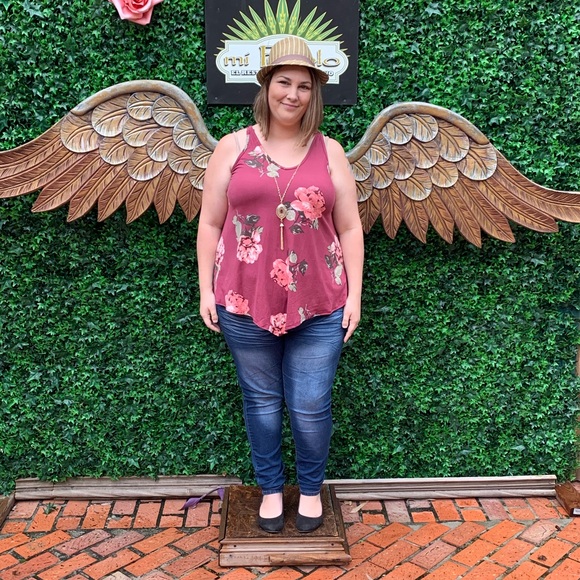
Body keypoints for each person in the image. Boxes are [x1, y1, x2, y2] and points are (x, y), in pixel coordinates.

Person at [197, 35, 364, 534]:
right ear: (266, 85)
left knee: (310, 407)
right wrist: (205, 289)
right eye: (284, 82)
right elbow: (210, 223)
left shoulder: (331, 152)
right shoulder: (232, 147)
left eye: (304, 86)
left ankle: (310, 491)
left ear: (314, 94)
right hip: (243, 300)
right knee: (262, 403)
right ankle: (271, 490)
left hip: (321, 303)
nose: (293, 94)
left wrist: (355, 296)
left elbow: (350, 228)